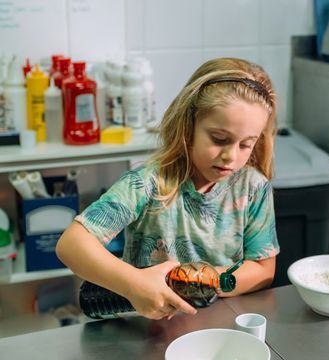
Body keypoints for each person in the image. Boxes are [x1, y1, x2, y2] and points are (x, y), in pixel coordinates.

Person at [56, 58, 280, 319]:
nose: (231, 156)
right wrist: (134, 284)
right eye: (219, 139)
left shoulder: (252, 188)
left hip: (217, 323)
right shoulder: (148, 183)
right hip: (148, 327)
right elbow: (71, 245)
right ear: (188, 126)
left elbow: (263, 269)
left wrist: (209, 282)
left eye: (246, 144)